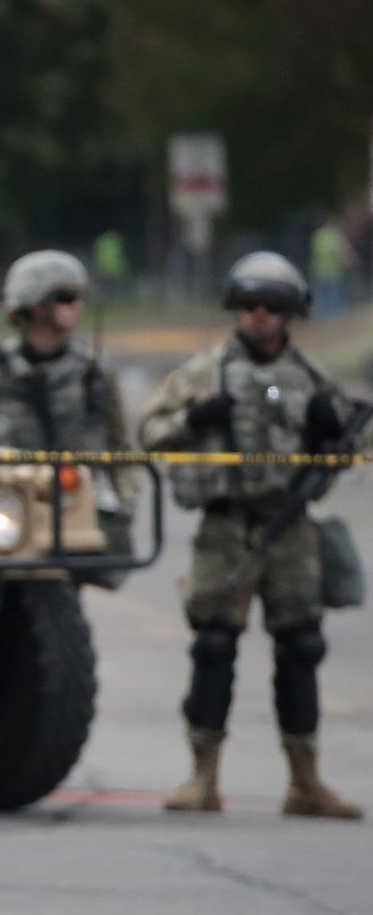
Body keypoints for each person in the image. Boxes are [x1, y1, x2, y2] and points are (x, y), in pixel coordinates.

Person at [138, 251, 366, 820]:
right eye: (248, 307)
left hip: (290, 528)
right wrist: (195, 420)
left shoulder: (312, 379)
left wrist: (332, 434)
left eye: (271, 307)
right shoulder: (202, 375)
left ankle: (306, 781)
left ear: (290, 314)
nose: (259, 317)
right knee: (213, 646)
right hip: (226, 527)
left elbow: (353, 443)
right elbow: (148, 433)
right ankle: (203, 776)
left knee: (303, 648)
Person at [0, 250, 140, 586]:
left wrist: (125, 504)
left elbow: (120, 447)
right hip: (10, 512)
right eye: (66, 298)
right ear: (37, 306)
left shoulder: (93, 373)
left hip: (74, 511)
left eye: (78, 298)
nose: (77, 306)